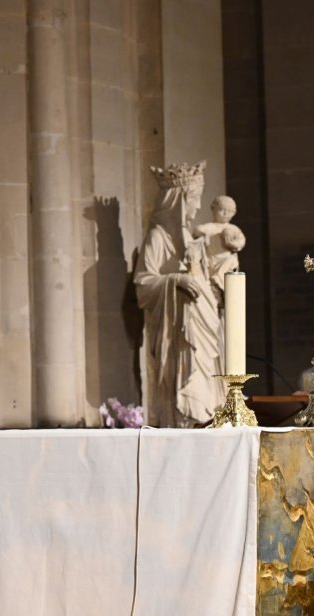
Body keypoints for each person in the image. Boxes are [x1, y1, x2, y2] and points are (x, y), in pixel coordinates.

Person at [134, 161, 227, 427]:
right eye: (195, 200)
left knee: (207, 382)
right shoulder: (158, 237)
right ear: (179, 202)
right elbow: (143, 284)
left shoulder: (188, 235)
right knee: (189, 391)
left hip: (203, 323)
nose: (198, 207)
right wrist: (176, 280)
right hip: (179, 334)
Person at [194, 195, 246, 294]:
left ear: (234, 213)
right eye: (222, 210)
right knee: (214, 290)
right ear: (213, 209)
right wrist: (200, 232)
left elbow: (241, 241)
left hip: (227, 264)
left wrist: (232, 243)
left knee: (231, 261)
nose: (225, 213)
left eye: (229, 211)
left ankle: (218, 280)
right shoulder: (209, 227)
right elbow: (198, 231)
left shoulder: (233, 229)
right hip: (212, 262)